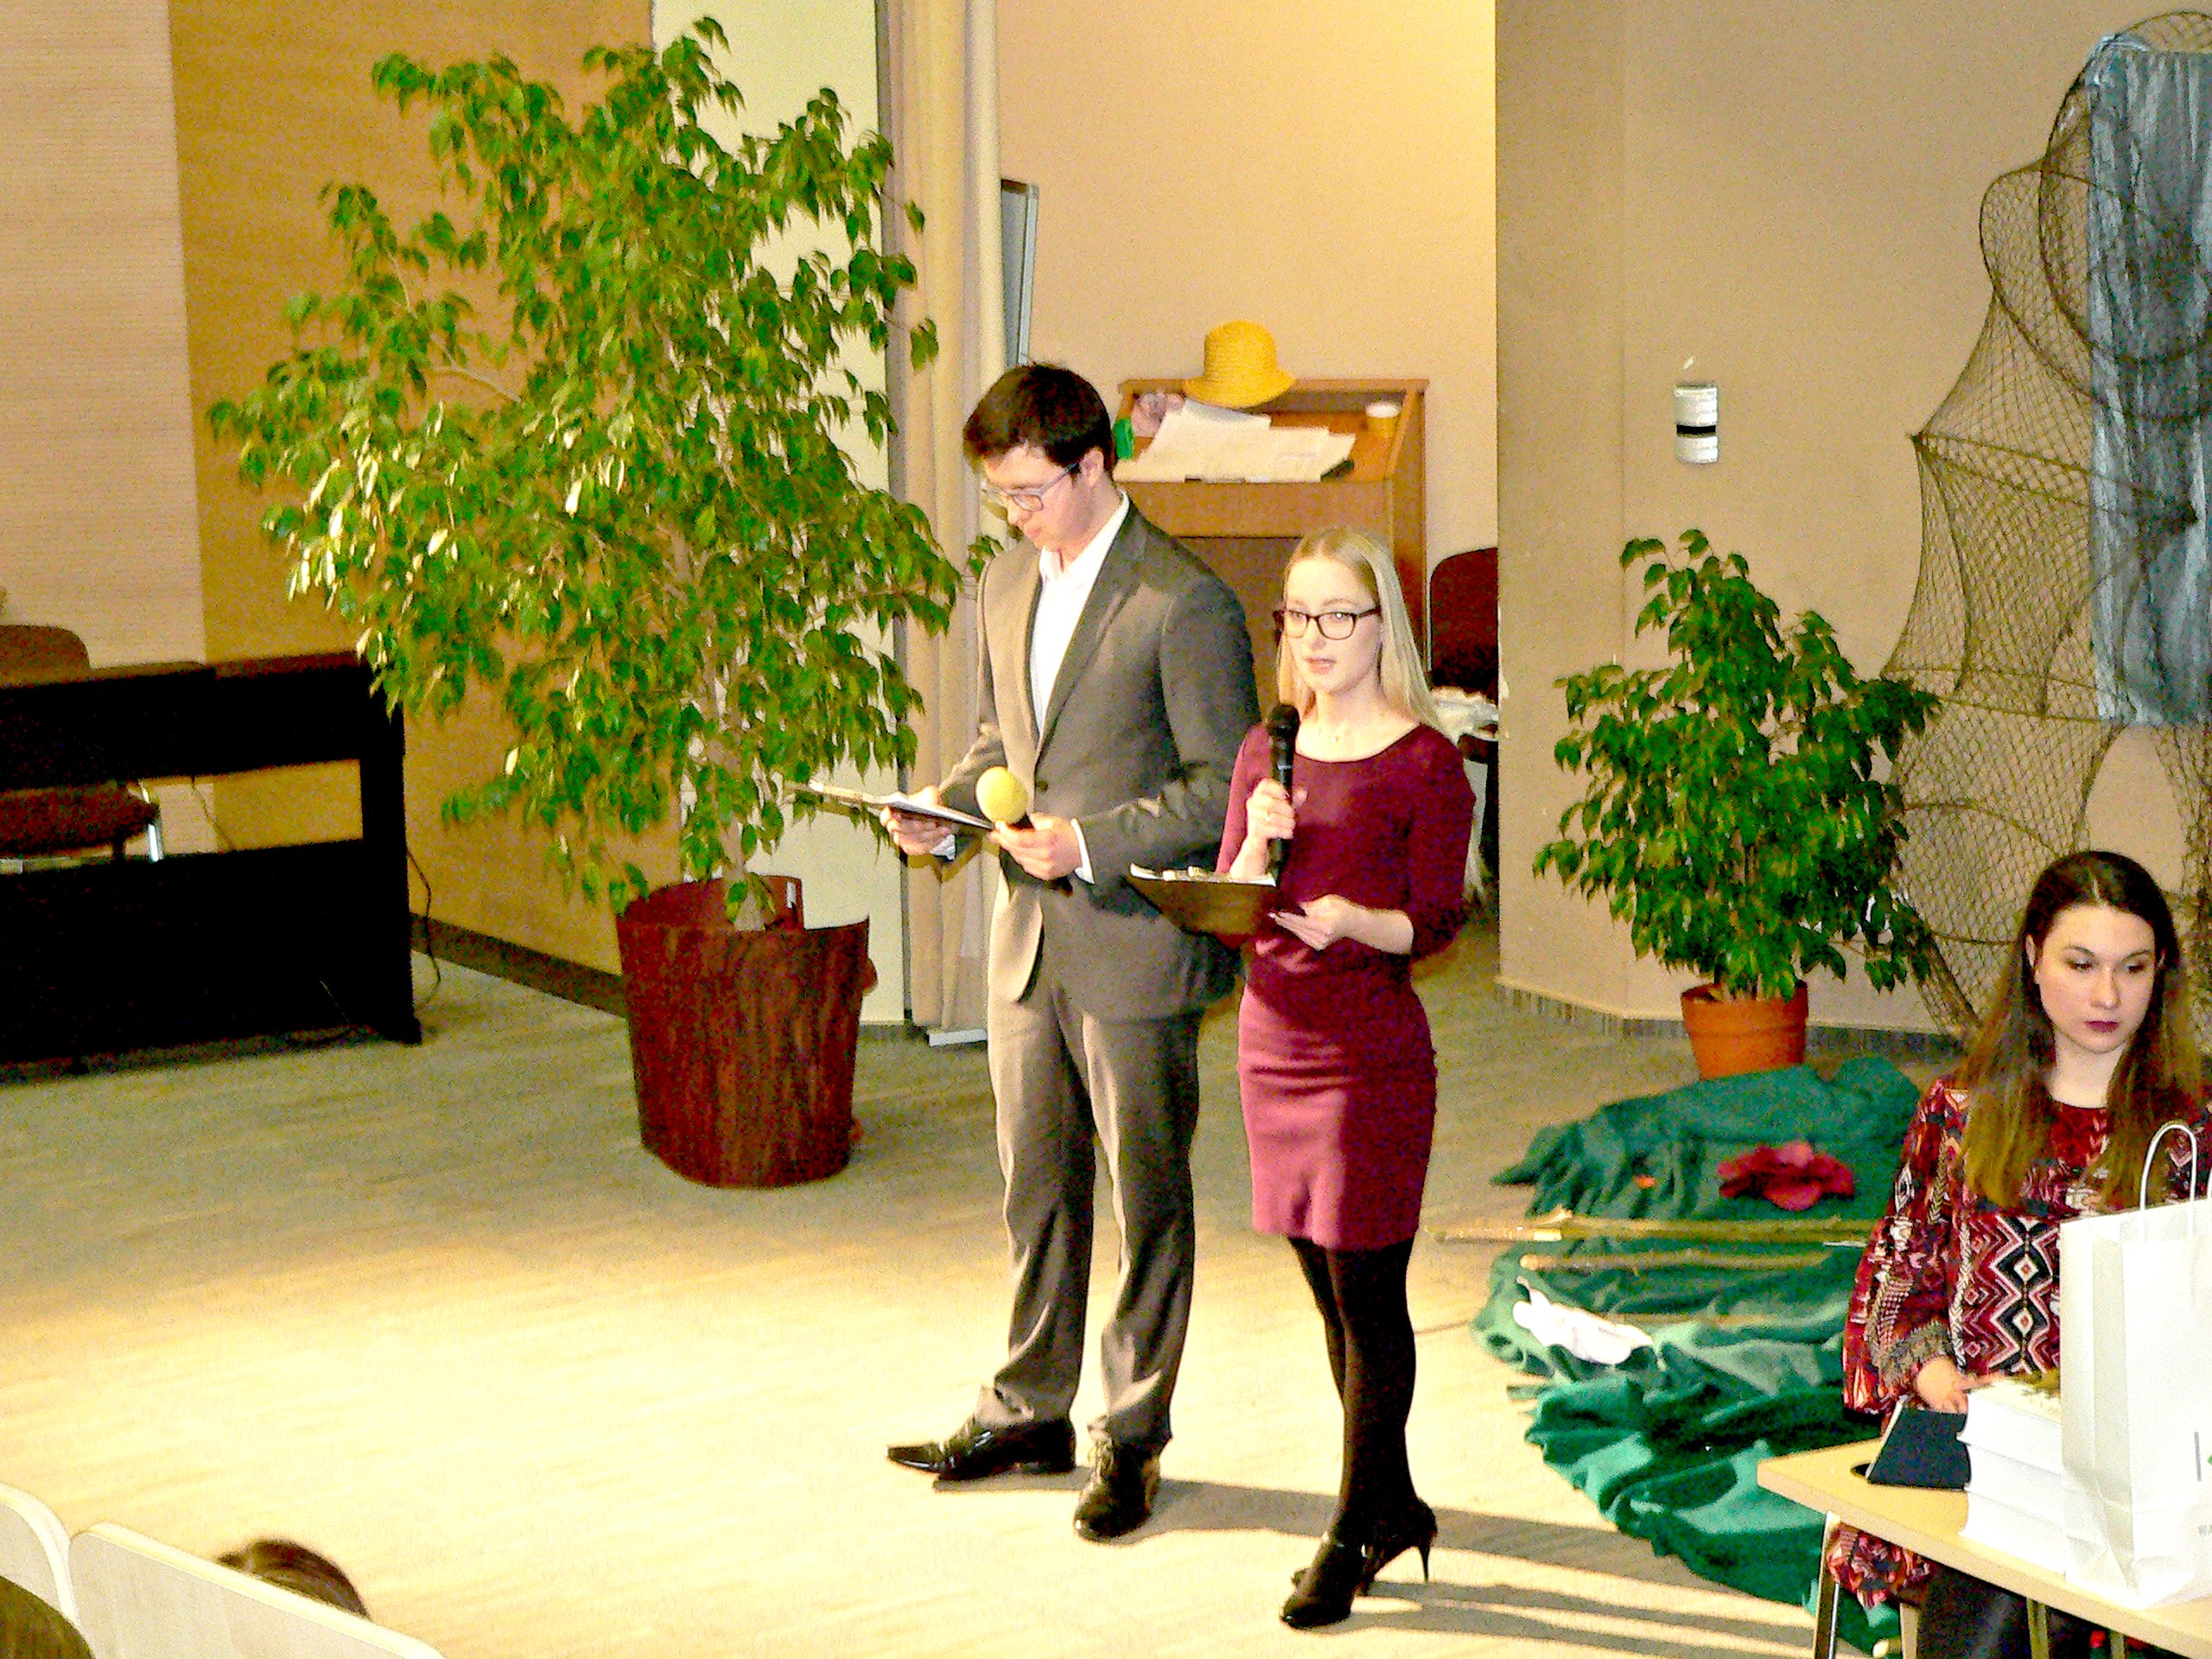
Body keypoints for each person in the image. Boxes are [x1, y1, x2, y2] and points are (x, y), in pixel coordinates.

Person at [883, 364, 1258, 1541]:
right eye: (1000, 496)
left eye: (1029, 493)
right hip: (1028, 940)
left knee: (1147, 1200)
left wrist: (1088, 843)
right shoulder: (1007, 583)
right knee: (1036, 1189)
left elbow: (1223, 787)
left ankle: (1131, 1436)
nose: (1014, 516)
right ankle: (1028, 1410)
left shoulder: (1183, 602)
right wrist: (944, 811)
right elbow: (1005, 744)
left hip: (1132, 943)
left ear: (1093, 464)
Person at [1832, 849, 2208, 1659]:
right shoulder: (1960, 1112)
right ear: (2033, 957)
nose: (2107, 996)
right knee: (2004, 1598)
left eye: (2133, 968)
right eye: (2081, 964)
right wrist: (1934, 1374)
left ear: (2162, 973)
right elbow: (1894, 1286)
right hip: (1986, 1459)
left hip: (2146, 1485)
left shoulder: (2194, 1132)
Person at [1217, 526, 1474, 1628]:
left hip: (1367, 1054)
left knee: (1367, 1297)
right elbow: (1229, 899)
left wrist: (1353, 922)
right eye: (1298, 616)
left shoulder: (1424, 761)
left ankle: (1350, 1528)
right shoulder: (1264, 748)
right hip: (1270, 1040)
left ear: (1382, 627)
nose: (1314, 638)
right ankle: (1394, 1501)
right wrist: (1252, 846)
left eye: (1338, 615)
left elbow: (1437, 921)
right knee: (1324, 1288)